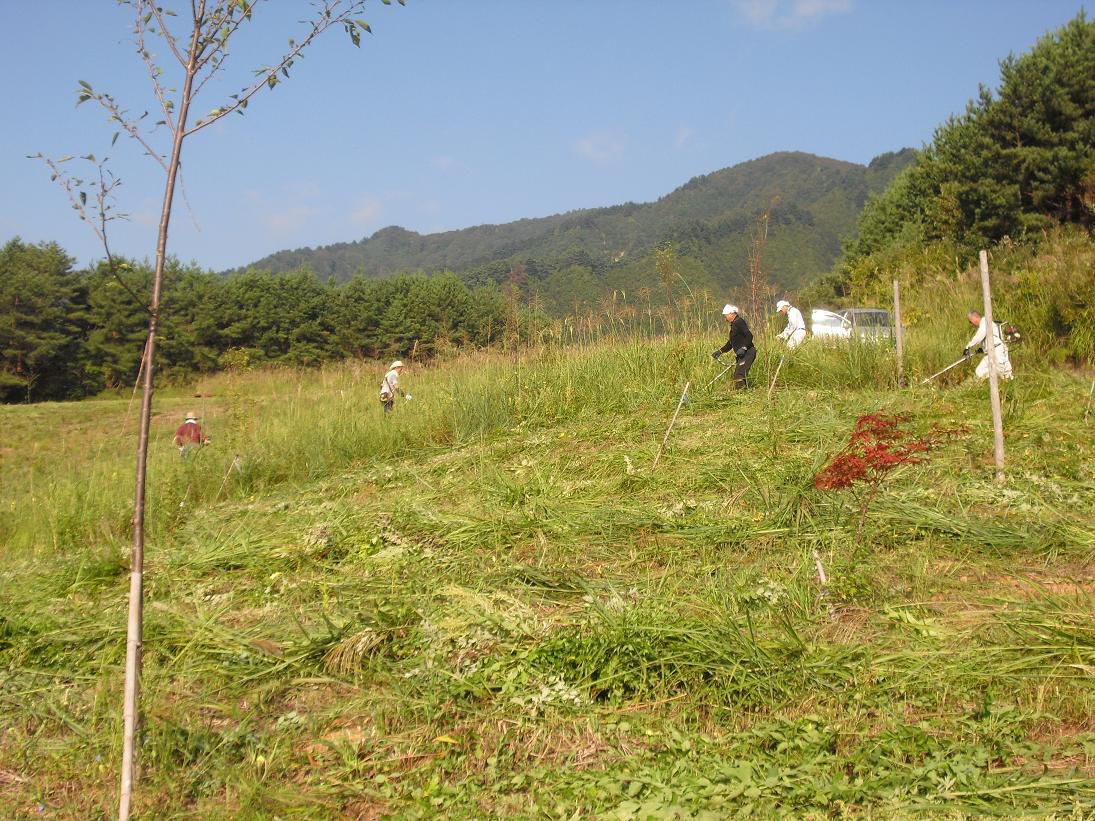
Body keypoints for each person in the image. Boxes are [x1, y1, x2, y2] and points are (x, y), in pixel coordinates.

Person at [712, 304, 757, 388]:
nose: (724, 318)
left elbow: (749, 335)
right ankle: (745, 392)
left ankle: (740, 395)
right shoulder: (734, 325)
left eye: (725, 315)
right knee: (739, 375)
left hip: (748, 353)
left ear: (731, 314)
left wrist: (744, 348)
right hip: (742, 354)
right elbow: (731, 342)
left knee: (739, 376)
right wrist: (720, 351)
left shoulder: (739, 322)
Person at [964, 310, 1013, 380]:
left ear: (975, 318)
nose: (971, 324)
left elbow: (979, 336)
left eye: (970, 321)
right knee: (979, 372)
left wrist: (968, 347)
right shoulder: (984, 324)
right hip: (991, 352)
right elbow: (988, 338)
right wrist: (984, 349)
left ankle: (1007, 383)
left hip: (997, 351)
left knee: (1004, 373)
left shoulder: (985, 322)